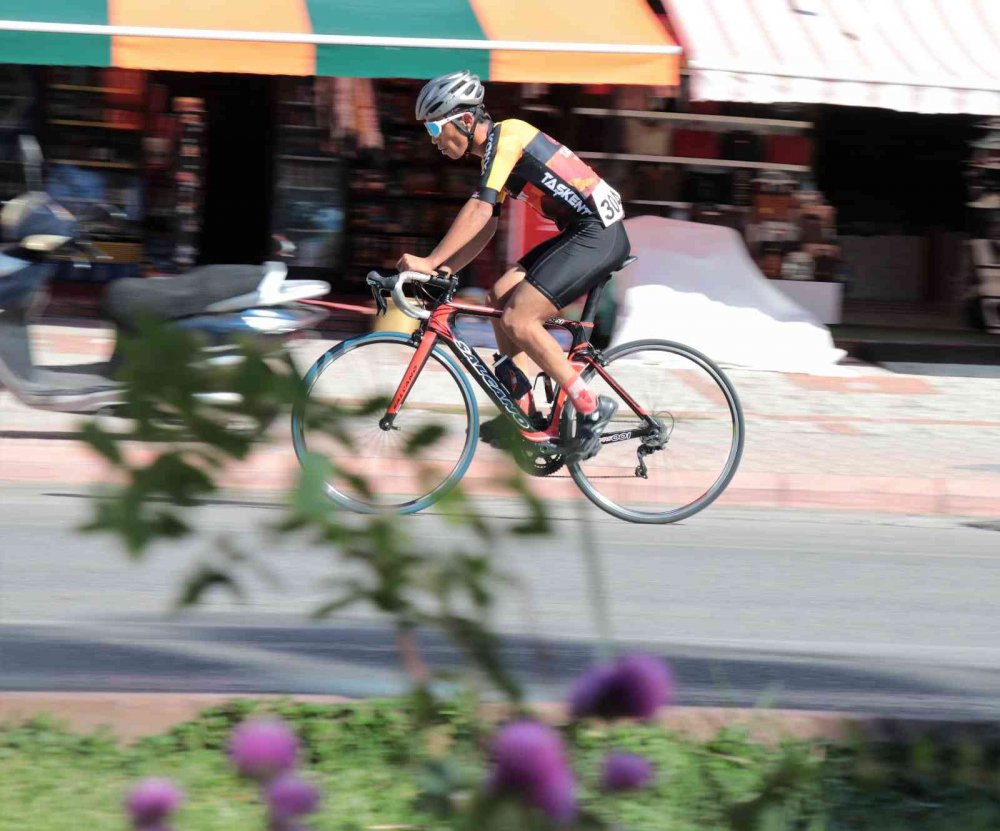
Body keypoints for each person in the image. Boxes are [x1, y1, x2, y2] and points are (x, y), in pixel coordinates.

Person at [396, 70, 631, 463]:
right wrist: (444, 271)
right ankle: (526, 413)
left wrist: (431, 261)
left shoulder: (509, 134)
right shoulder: (496, 152)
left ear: (467, 121)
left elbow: (479, 208)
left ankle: (590, 405)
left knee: (521, 319)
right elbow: (487, 226)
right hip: (582, 232)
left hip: (599, 235)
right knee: (500, 294)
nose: (434, 138)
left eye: (436, 126)